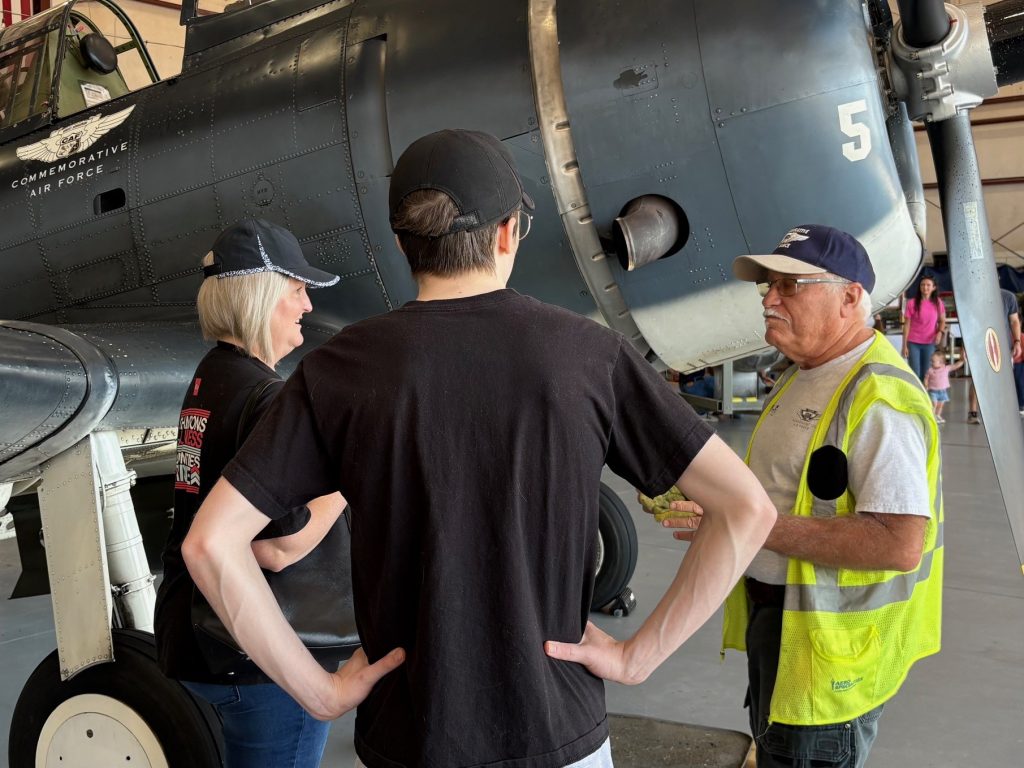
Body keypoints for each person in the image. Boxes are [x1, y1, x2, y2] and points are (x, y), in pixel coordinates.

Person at [181, 128, 777, 768]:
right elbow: (746, 509)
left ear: (406, 244)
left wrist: (320, 693)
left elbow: (209, 544)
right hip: (559, 736)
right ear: (505, 234)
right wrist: (638, 656)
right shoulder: (587, 354)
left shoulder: (340, 368)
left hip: (413, 739)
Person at [663, 225, 942, 768]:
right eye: (768, 285)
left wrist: (747, 526)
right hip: (787, 634)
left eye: (791, 286)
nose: (768, 298)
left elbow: (899, 542)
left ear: (849, 298)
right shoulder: (802, 374)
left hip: (832, 665)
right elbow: (778, 489)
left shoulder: (879, 397)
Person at [154, 218, 347, 768]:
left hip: (195, 635)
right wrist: (346, 477)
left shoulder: (212, 376)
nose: (308, 306)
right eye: (297, 290)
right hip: (251, 657)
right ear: (262, 296)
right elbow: (280, 546)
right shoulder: (266, 399)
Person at [966, 287, 1022, 423]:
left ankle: (1001, 411)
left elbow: (1014, 321)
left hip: (1003, 345)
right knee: (979, 379)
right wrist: (966, 345)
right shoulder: (974, 296)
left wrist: (1017, 341)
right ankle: (972, 412)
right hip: (979, 344)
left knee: (1004, 380)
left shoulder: (1008, 297)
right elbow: (969, 322)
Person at [901, 275, 946, 382]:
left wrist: (940, 332)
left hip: (929, 342)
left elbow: (942, 320)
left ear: (933, 287)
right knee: (915, 372)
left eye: (928, 285)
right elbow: (907, 325)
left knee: (927, 373)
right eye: (923, 285)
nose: (925, 287)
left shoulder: (938, 303)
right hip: (913, 342)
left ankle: (925, 396)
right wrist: (904, 346)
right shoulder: (912, 303)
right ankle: (916, 396)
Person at [923, 350, 964, 424]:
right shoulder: (930, 370)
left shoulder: (945, 368)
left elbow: (955, 366)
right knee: (934, 404)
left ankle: (938, 415)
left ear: (941, 363)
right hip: (933, 391)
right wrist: (926, 385)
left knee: (940, 405)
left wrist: (962, 361)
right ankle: (932, 416)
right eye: (931, 361)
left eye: (933, 361)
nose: (931, 363)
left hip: (943, 391)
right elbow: (926, 379)